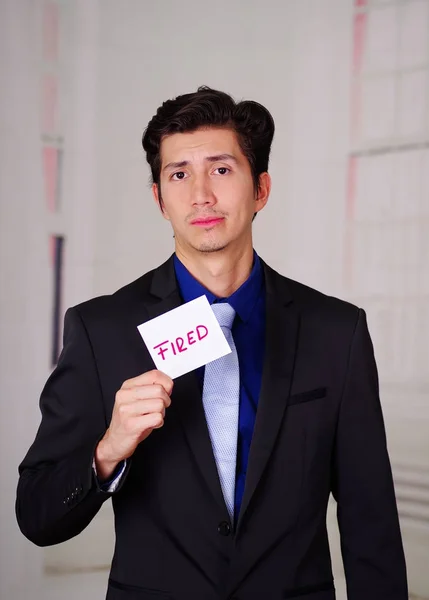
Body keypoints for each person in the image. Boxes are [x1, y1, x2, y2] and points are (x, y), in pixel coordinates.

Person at [16, 86, 408, 600]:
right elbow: (38, 515)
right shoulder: (101, 330)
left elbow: (370, 520)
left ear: (260, 189)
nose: (200, 194)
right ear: (159, 197)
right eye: (179, 174)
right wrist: (108, 450)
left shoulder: (337, 332)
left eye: (221, 170)